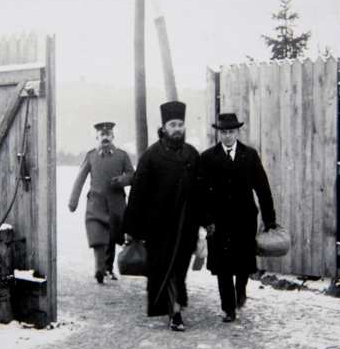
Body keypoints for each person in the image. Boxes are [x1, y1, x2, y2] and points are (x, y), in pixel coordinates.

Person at [123, 101, 202, 331]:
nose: (177, 129)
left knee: (179, 269)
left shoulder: (192, 155)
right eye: (172, 125)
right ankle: (175, 312)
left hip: (186, 224)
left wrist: (205, 220)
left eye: (180, 124)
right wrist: (133, 227)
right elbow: (137, 193)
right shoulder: (151, 156)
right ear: (164, 127)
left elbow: (201, 189)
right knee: (164, 268)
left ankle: (174, 308)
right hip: (159, 226)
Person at [200, 113, 276, 322]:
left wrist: (269, 219)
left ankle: (241, 287)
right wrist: (206, 219)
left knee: (243, 261)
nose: (227, 136)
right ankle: (228, 308)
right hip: (219, 221)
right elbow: (201, 192)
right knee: (222, 265)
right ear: (219, 133)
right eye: (223, 132)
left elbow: (262, 187)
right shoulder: (207, 157)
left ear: (237, 132)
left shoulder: (249, 155)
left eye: (231, 132)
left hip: (244, 218)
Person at [68, 122, 135, 284]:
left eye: (108, 135)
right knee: (98, 235)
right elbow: (80, 178)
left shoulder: (122, 155)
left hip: (116, 204)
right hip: (96, 203)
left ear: (113, 137)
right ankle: (100, 268)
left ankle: (108, 268)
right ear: (97, 138)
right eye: (101, 135)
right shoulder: (91, 156)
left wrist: (122, 180)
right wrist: (73, 200)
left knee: (112, 236)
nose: (105, 138)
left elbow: (132, 175)